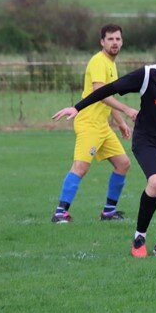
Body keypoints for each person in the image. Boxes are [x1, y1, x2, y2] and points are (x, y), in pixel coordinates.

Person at [52, 34, 156, 258]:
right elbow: (108, 89)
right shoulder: (148, 74)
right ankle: (139, 237)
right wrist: (77, 107)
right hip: (146, 141)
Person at [51, 24, 138, 223]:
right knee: (80, 167)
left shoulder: (111, 63)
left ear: (122, 42)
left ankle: (108, 212)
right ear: (102, 42)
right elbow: (100, 93)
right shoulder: (98, 61)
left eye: (117, 39)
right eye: (110, 39)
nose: (114, 42)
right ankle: (60, 213)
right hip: (89, 123)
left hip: (102, 126)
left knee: (123, 164)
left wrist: (121, 123)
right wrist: (127, 109)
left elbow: (109, 96)